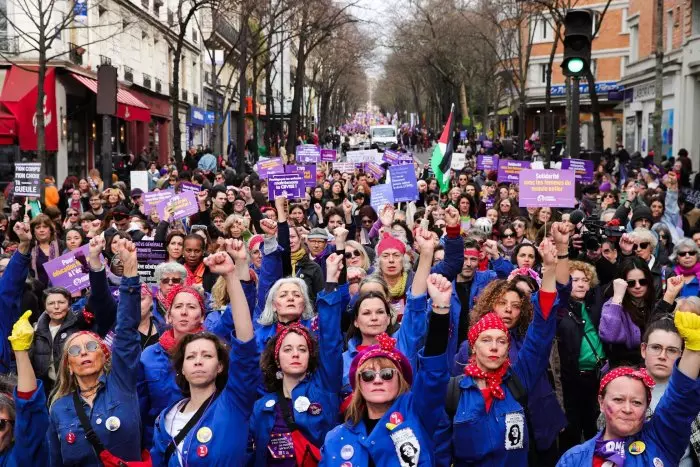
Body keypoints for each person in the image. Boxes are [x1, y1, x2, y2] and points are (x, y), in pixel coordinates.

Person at [319, 273, 453, 466]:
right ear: (357, 384)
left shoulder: (417, 415)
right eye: (367, 375)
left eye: (387, 374)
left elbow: (434, 374)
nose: (377, 380)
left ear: (400, 379)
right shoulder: (335, 439)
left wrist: (440, 310)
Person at [448, 238, 558, 465]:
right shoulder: (454, 392)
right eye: (486, 340)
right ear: (473, 346)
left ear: (508, 347)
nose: (494, 347)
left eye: (501, 341)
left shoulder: (518, 378)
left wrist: (550, 269)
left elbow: (541, 332)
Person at [138, 240, 254, 448]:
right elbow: (142, 410)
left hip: (211, 438)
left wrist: (239, 268)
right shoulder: (148, 356)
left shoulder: (214, 341)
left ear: (202, 317)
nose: (184, 312)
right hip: (166, 443)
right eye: (178, 307)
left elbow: (239, 314)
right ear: (168, 316)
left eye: (191, 307)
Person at [47, 239, 150, 466]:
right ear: (68, 366)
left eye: (92, 346)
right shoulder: (59, 408)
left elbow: (126, 331)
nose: (84, 353)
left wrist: (130, 272)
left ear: (104, 356)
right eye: (75, 350)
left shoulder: (121, 383)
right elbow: (55, 460)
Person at [557, 309, 700, 466]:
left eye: (637, 402)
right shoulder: (573, 459)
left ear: (647, 407)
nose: (627, 409)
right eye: (618, 399)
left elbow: (679, 402)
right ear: (601, 402)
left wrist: (694, 350)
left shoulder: (660, 440)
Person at [249, 254, 344, 465]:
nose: (295, 354)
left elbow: (331, 344)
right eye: (287, 349)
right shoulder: (261, 407)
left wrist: (330, 284)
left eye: (302, 349)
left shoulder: (324, 388)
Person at [557, 260, 607, 453]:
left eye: (584, 280)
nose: (580, 284)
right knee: (572, 431)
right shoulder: (560, 309)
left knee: (595, 428)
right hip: (571, 380)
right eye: (574, 280)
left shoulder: (596, 304)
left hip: (597, 377)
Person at [0, 311, 50, 466]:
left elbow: (29, 408)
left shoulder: (21, 456)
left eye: (0, 424)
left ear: (15, 427)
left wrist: (20, 352)